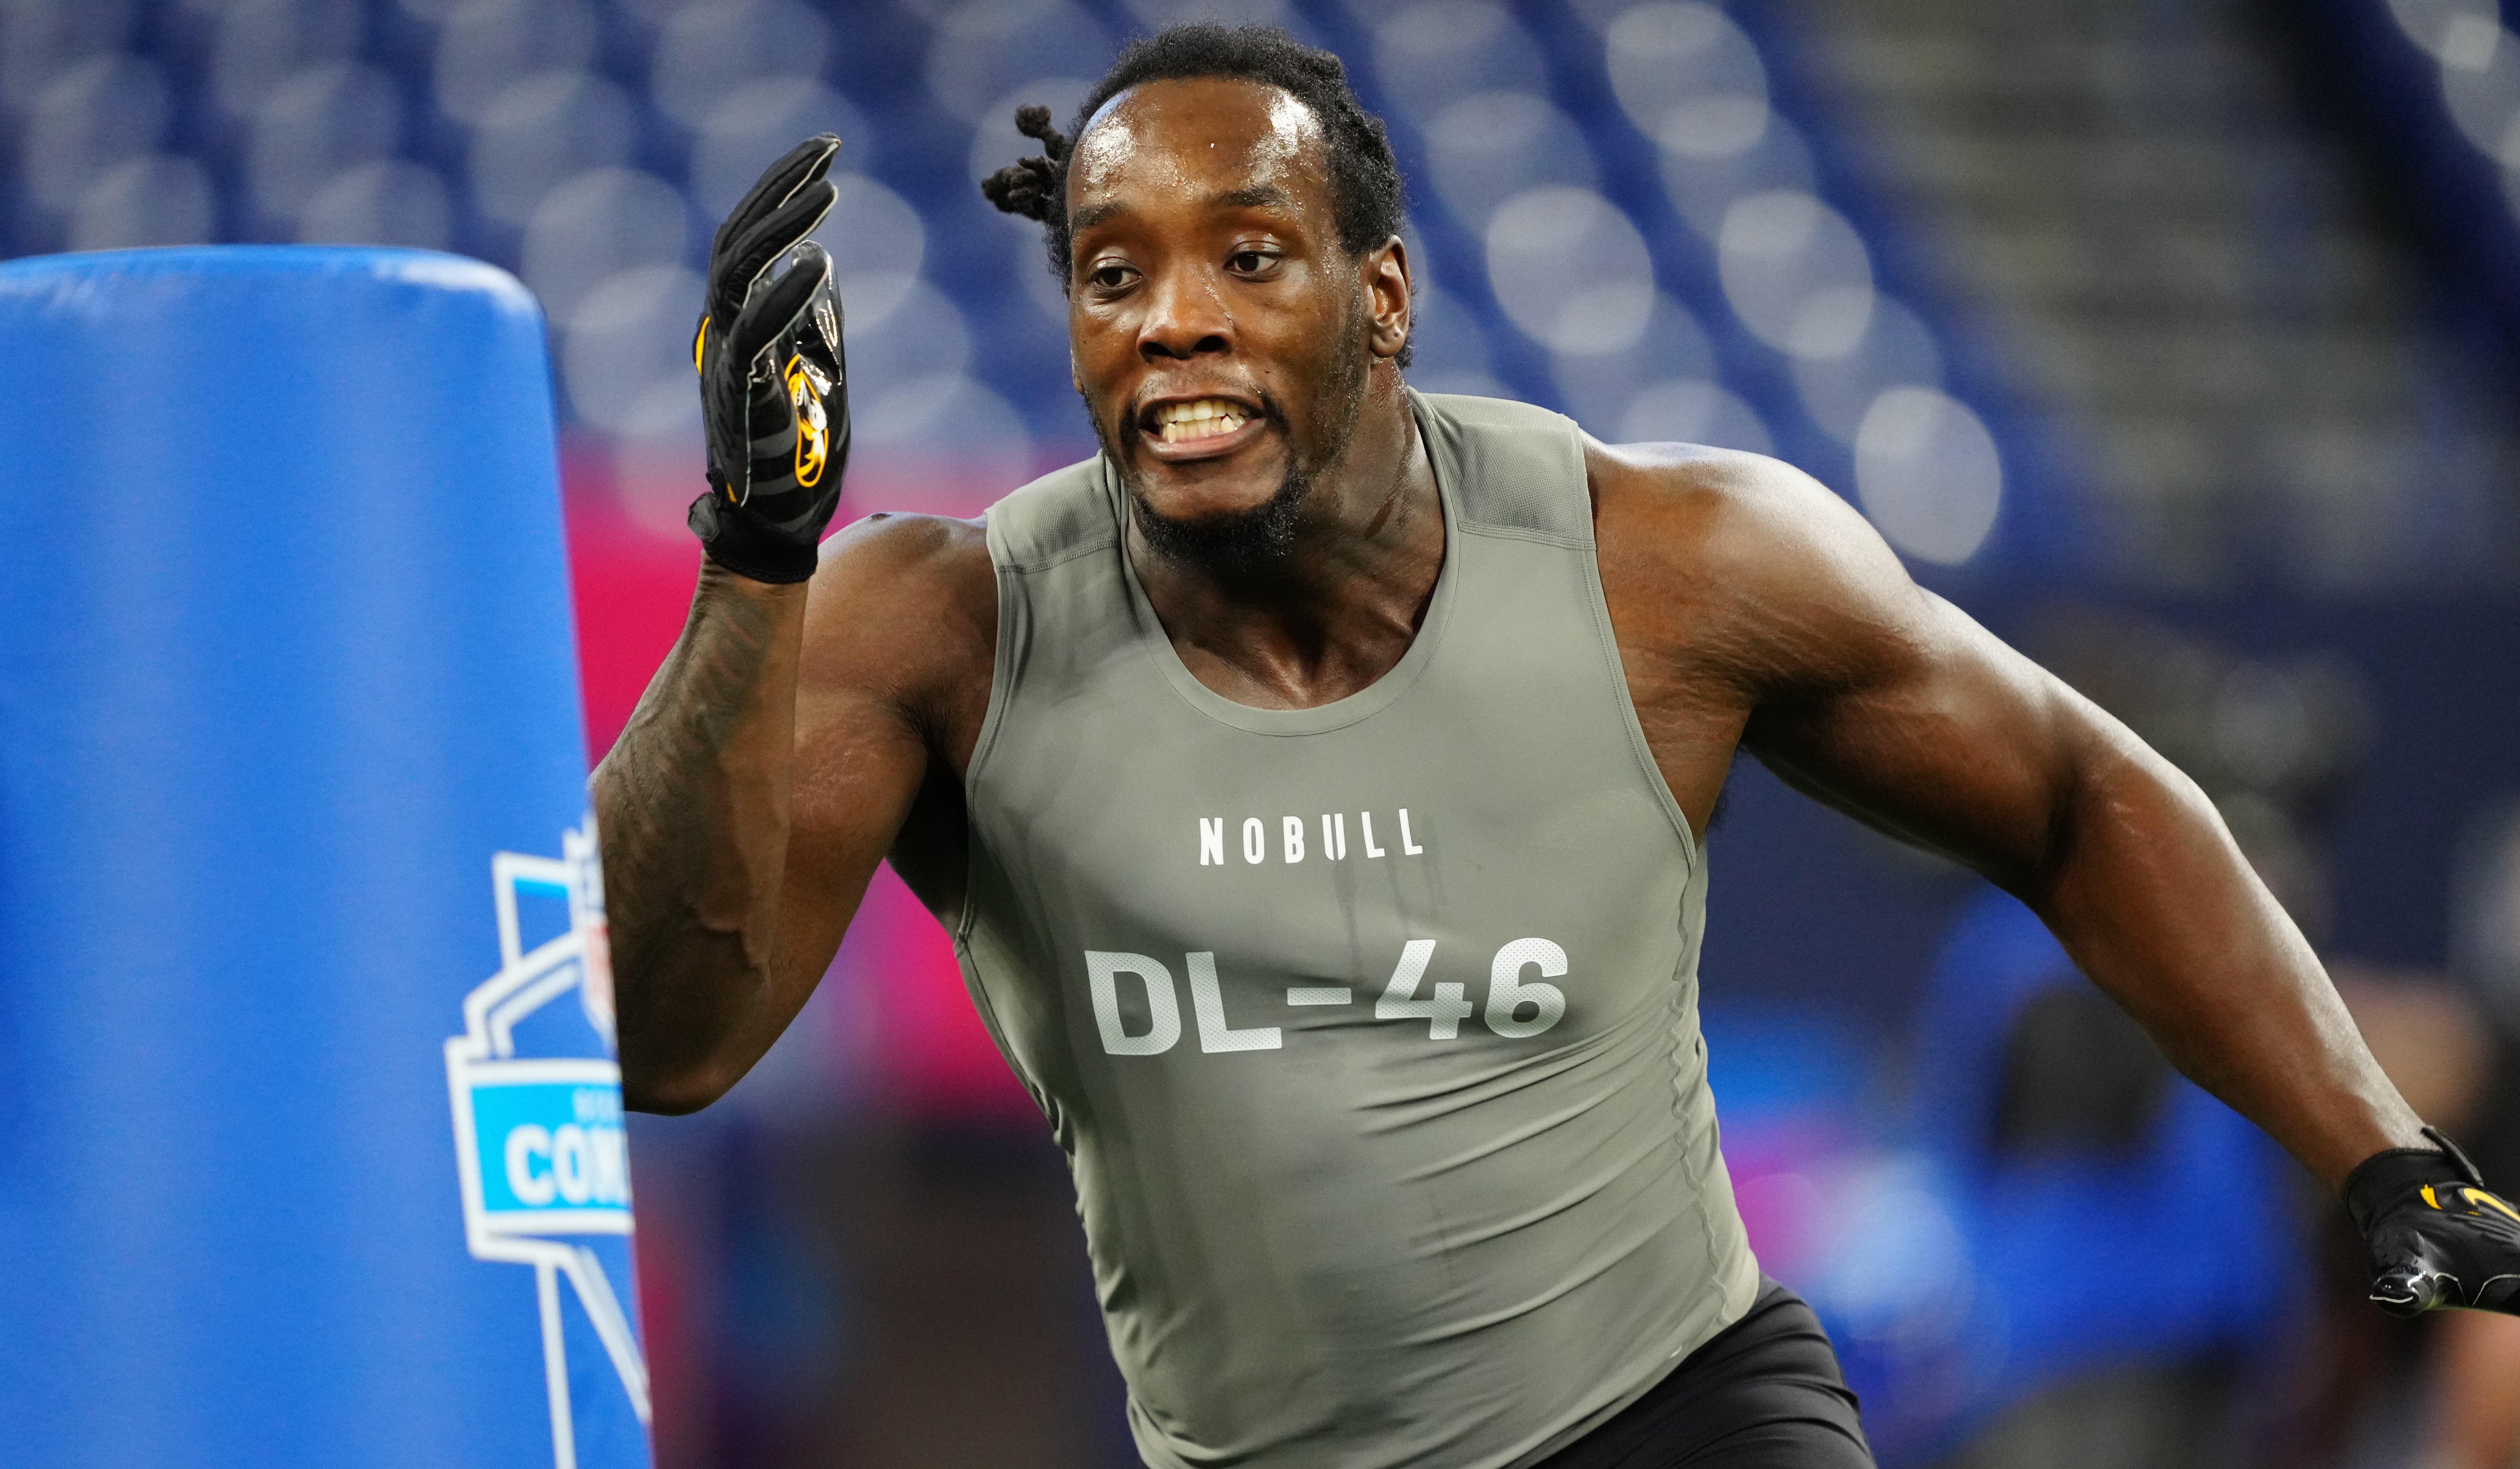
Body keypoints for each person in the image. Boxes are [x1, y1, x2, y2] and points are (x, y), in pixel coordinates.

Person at [598, 25, 2520, 1469]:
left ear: (1384, 298)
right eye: (1114, 272)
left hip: (1677, 1413)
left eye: (1248, 257)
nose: (1173, 319)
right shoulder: (939, 625)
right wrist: (757, 562)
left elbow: (2076, 794)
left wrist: (2377, 1155)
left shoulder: (1667, 568)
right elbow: (657, 1040)